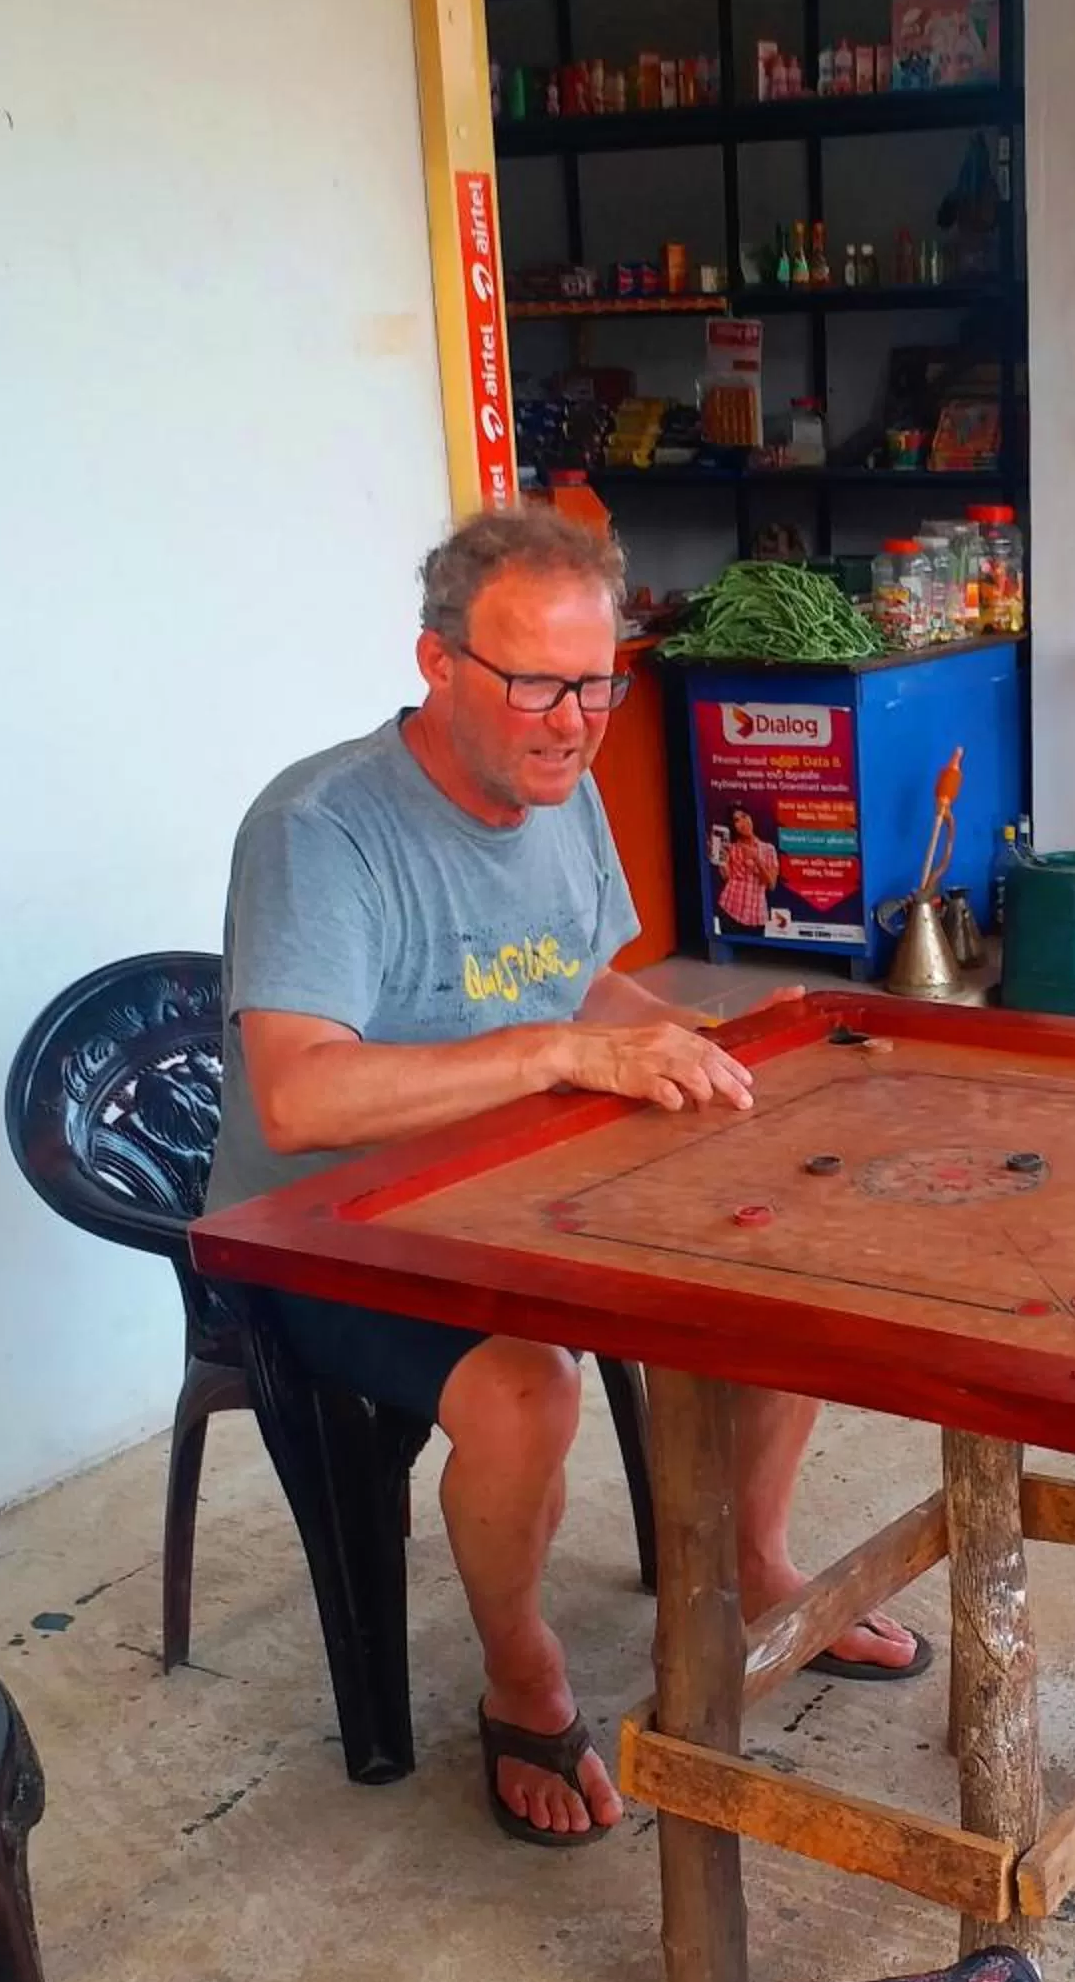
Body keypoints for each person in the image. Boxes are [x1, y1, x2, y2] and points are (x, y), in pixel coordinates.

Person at [206, 508, 930, 1850]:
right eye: (534, 681)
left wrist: (659, 1035)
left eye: (597, 681)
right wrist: (561, 1048)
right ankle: (521, 1669)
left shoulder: (564, 785)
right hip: (330, 1229)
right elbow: (300, 1097)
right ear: (437, 661)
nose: (574, 719)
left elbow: (575, 976)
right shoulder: (322, 827)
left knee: (806, 1236)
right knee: (525, 1388)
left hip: (515, 1175)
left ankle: (756, 1561)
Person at [715, 807, 779, 932]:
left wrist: (756, 859)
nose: (743, 823)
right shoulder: (732, 848)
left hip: (757, 917)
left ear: (751, 818)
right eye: (737, 820)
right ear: (734, 826)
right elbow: (726, 877)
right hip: (730, 910)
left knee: (755, 951)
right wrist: (719, 859)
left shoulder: (769, 849)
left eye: (744, 816)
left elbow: (771, 884)